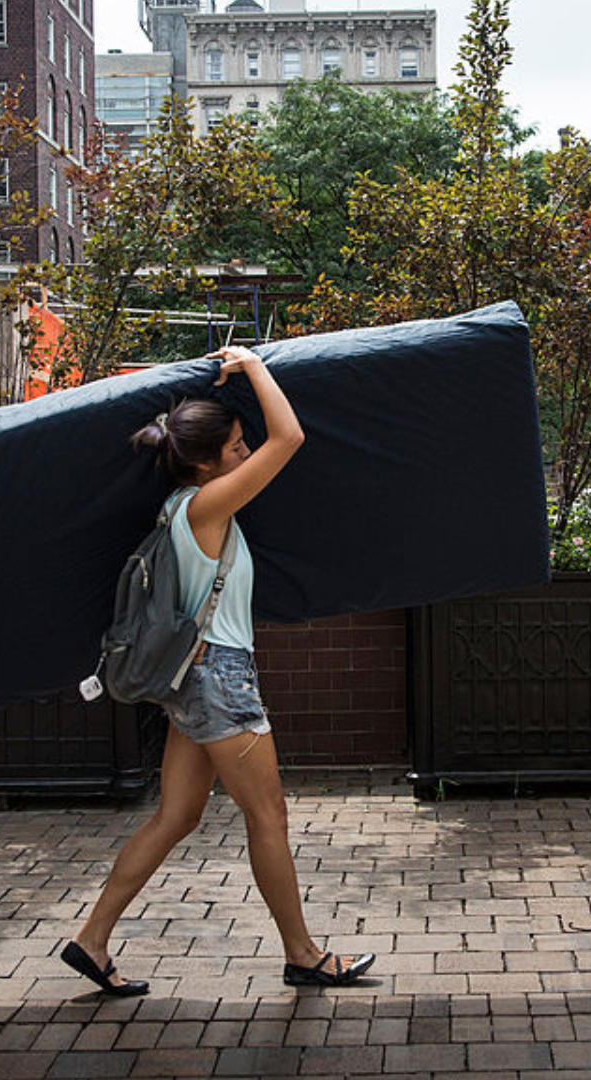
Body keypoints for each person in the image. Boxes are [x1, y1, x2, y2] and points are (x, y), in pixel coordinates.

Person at [61, 345, 376, 996]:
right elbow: (289, 436)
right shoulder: (206, 504)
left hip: (192, 681)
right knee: (269, 818)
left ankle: (91, 941)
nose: (243, 452)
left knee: (176, 817)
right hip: (220, 680)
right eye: (234, 446)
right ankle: (304, 954)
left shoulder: (179, 507)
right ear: (205, 460)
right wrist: (254, 366)